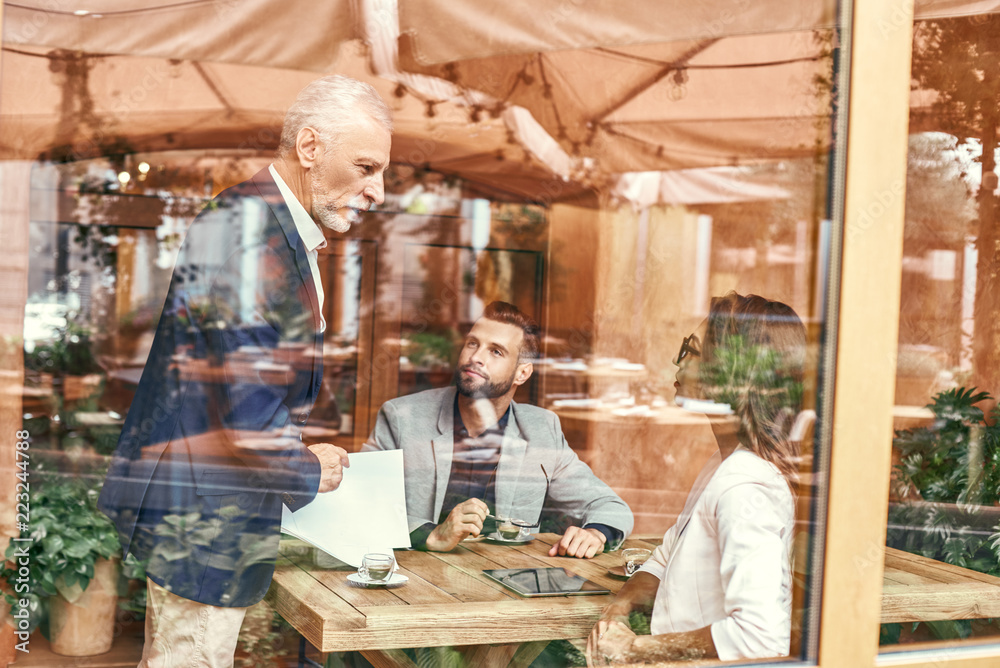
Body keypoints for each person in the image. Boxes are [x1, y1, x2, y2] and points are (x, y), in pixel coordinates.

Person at [97, 75, 392, 668]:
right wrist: (307, 468)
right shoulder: (250, 233)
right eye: (365, 167)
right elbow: (244, 405)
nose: (378, 190)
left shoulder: (259, 223)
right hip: (206, 520)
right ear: (310, 148)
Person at [587, 292, 806, 665]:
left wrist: (636, 650)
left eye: (692, 349)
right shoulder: (724, 464)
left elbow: (759, 636)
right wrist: (621, 607)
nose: (679, 362)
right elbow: (664, 556)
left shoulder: (744, 485)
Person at [363, 301, 634, 558]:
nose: (476, 357)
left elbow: (610, 507)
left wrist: (597, 533)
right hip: (415, 584)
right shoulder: (402, 418)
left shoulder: (542, 429)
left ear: (522, 373)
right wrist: (431, 535)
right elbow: (362, 500)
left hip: (506, 586)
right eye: (472, 344)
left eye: (496, 351)